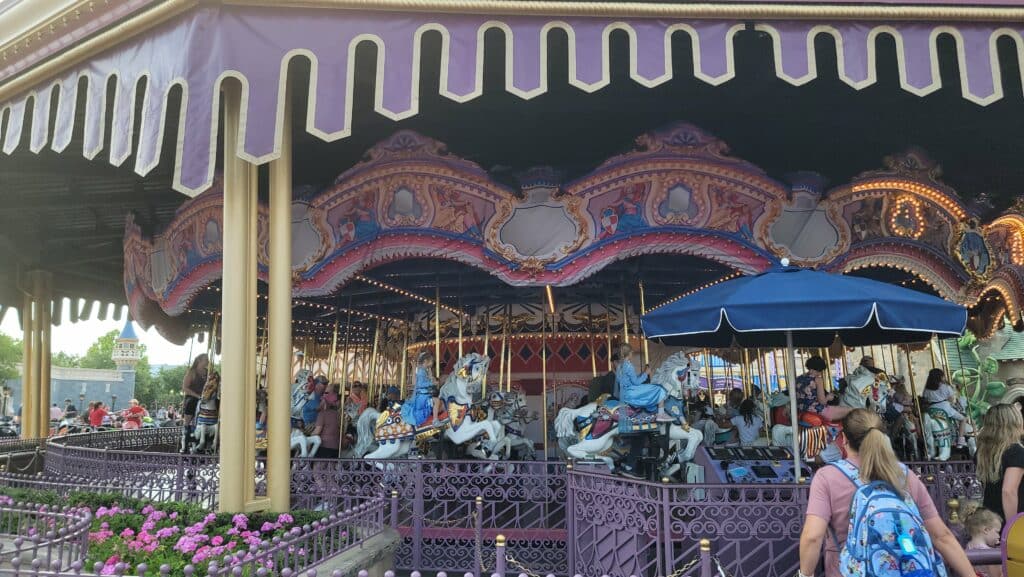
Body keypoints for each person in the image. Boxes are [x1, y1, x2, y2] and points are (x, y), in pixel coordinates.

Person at [798, 408, 973, 577]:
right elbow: (941, 536)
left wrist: (804, 574)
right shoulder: (903, 475)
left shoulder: (827, 477)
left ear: (844, 439)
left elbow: (813, 537)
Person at [979, 403, 1024, 526]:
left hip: (990, 518)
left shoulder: (983, 452)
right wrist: (1013, 527)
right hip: (1011, 518)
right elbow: (1008, 491)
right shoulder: (1017, 452)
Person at [616, 344, 671, 422]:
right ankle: (661, 414)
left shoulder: (619, 366)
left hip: (624, 393)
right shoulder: (629, 366)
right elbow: (636, 382)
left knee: (651, 387)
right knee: (658, 388)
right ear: (629, 354)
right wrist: (646, 373)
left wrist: (642, 374)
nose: (632, 355)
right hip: (631, 392)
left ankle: (652, 410)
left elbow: (625, 381)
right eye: (632, 353)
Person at [795, 356, 851, 423]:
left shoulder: (799, 378)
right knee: (851, 410)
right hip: (817, 410)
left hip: (801, 410)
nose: (820, 373)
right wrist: (828, 397)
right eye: (820, 371)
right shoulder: (818, 380)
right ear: (818, 369)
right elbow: (822, 401)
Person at [923, 368, 967, 447]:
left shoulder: (927, 389)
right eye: (943, 376)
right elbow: (951, 399)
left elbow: (925, 399)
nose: (944, 377)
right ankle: (960, 440)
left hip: (932, 409)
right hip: (945, 408)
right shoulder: (945, 386)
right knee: (963, 419)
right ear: (940, 377)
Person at [401, 351, 446, 428]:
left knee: (437, 401)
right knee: (437, 400)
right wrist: (432, 383)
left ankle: (434, 419)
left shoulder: (424, 370)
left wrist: (431, 379)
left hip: (424, 394)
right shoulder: (421, 371)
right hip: (422, 396)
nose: (432, 363)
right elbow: (420, 384)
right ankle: (435, 420)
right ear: (425, 361)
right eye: (431, 361)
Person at [962, 503, 1003, 577]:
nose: (999, 536)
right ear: (986, 530)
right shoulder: (991, 554)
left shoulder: (969, 546)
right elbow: (997, 575)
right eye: (997, 532)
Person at [181, 354, 209, 427]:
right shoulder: (192, 372)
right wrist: (197, 396)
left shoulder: (208, 372)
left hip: (206, 395)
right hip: (193, 396)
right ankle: (186, 424)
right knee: (191, 402)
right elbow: (185, 387)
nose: (208, 361)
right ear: (199, 361)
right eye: (206, 359)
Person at [312, 389, 342, 459]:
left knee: (318, 467)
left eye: (322, 401)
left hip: (324, 446)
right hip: (335, 447)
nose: (320, 403)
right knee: (331, 468)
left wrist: (308, 437)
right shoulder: (338, 414)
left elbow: (317, 431)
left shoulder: (322, 414)